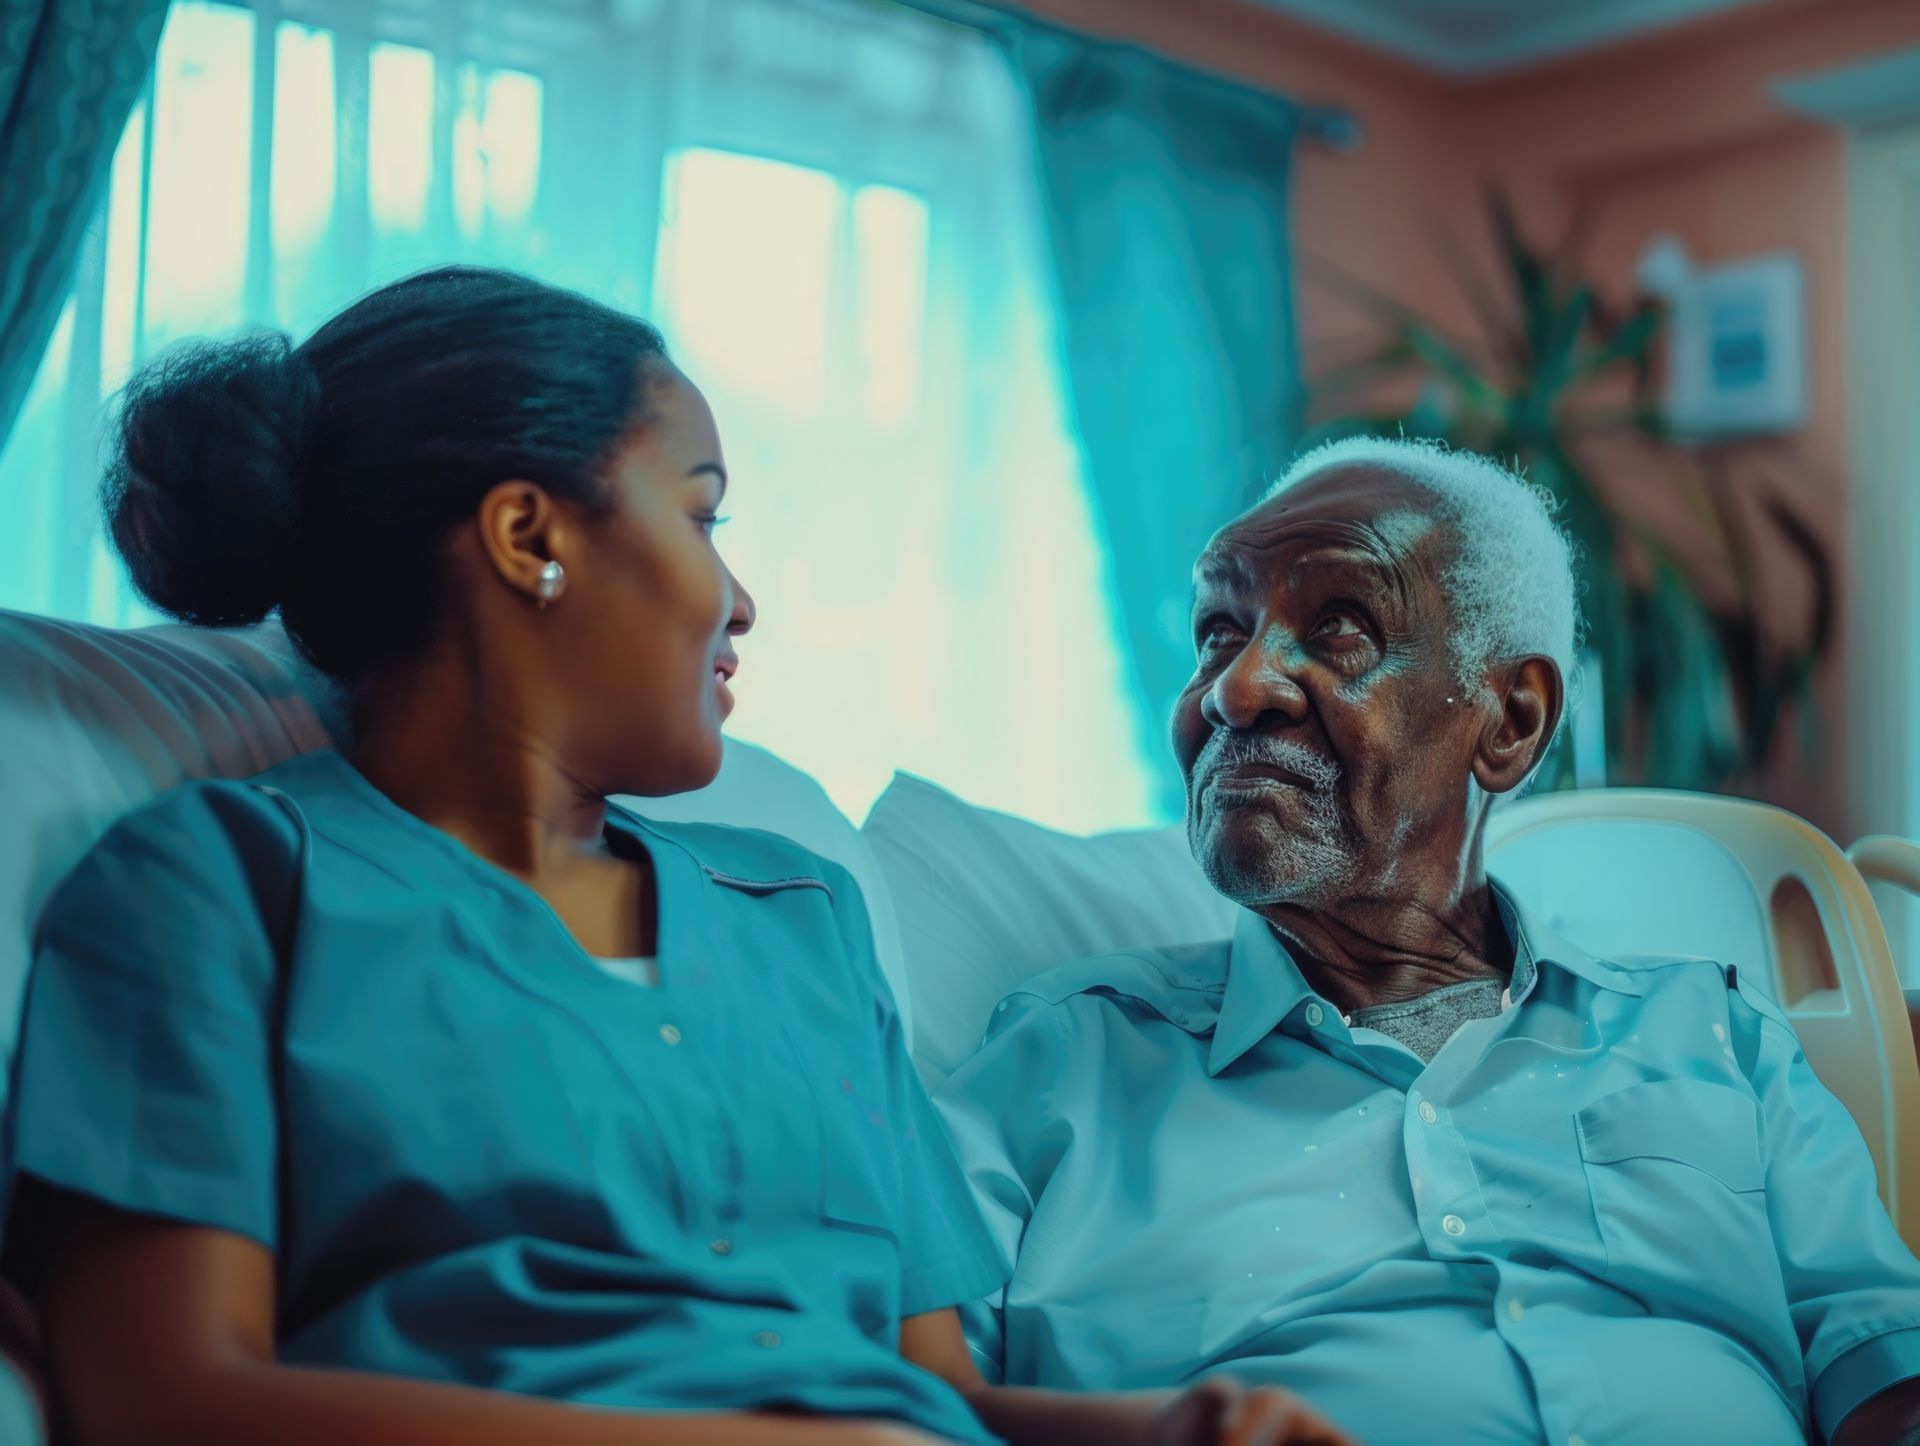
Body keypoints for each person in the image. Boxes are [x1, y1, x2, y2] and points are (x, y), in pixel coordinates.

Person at [0, 267, 1350, 1446]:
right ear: (532, 537)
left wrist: (1161, 1425)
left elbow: (925, 1393)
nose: (740, 596)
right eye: (703, 515)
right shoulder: (215, 888)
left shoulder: (799, 915)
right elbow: (163, 1401)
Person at [936, 435, 1920, 1445]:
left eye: (1341, 628)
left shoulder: (1714, 1036)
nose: (1237, 689)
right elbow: (872, 1405)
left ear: (1511, 721)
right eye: (1218, 634)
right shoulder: (1060, 1065)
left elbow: (1888, 1379)